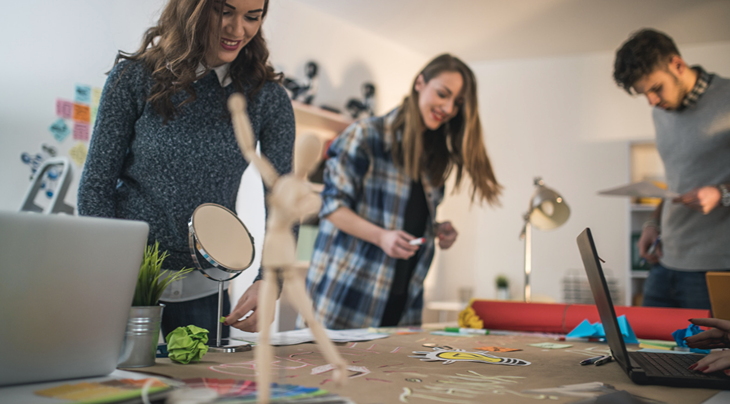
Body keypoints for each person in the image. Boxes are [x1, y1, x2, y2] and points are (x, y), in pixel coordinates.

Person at [77, 0, 295, 339]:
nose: (238, 30)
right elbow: (95, 186)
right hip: (126, 283)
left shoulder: (267, 98)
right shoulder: (134, 78)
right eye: (224, 11)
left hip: (206, 291)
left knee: (203, 391)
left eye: (252, 17)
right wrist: (110, 267)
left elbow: (284, 202)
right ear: (193, 8)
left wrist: (271, 279)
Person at [303, 54, 502, 330]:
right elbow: (331, 208)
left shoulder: (433, 156)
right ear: (420, 82)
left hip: (403, 307)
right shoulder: (365, 135)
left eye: (456, 103)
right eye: (442, 94)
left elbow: (402, 217)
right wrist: (381, 237)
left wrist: (435, 229)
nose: (447, 108)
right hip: (346, 300)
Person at [613, 29, 730, 309]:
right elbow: (677, 180)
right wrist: (653, 223)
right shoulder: (660, 112)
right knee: (644, 350)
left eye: (655, 88)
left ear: (677, 65)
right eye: (644, 94)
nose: (652, 101)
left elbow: (719, 192)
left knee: (703, 354)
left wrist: (722, 194)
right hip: (665, 261)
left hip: (714, 268)